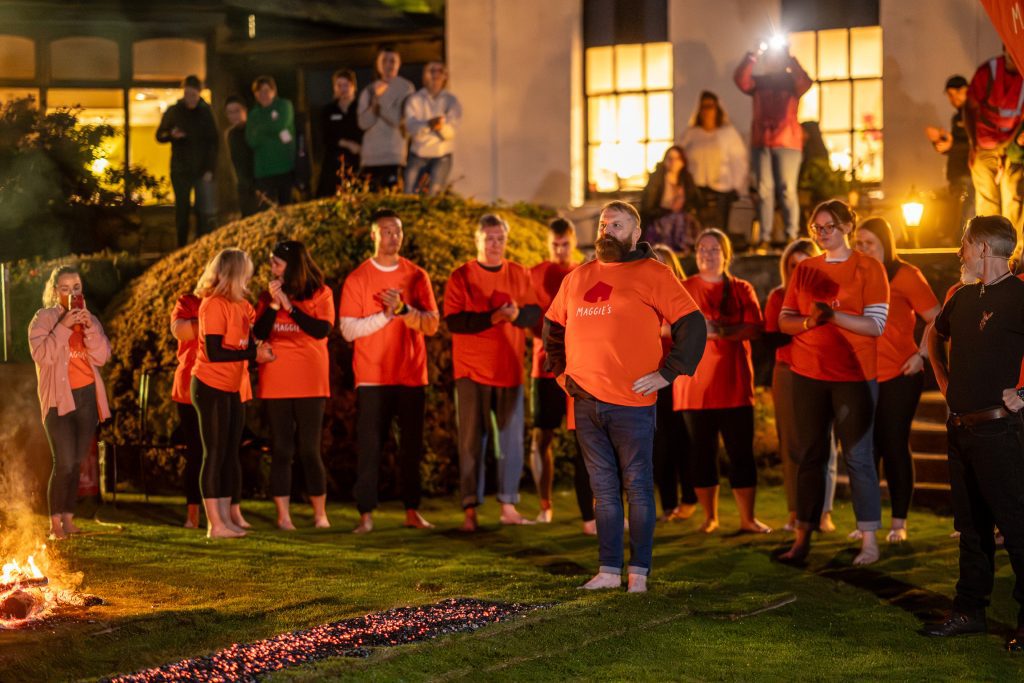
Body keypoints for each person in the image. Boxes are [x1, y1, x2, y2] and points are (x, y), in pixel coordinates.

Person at [543, 200, 706, 593]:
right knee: (603, 491)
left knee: (636, 487)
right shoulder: (578, 277)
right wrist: (561, 373)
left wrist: (668, 374)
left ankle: (639, 574)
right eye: (603, 224)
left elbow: (693, 324)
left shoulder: (654, 274)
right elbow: (552, 327)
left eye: (617, 225)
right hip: (585, 402)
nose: (607, 230)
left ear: (635, 234)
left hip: (632, 402)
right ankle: (608, 570)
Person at [921, 215, 1024, 650]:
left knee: (1018, 527)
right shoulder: (961, 297)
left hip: (1000, 431)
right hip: (960, 428)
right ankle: (968, 611)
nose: (959, 251)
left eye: (964, 244)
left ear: (983, 248)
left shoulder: (1020, 296)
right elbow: (933, 337)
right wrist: (946, 385)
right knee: (971, 528)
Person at [777, 199, 889, 566]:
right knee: (810, 455)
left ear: (847, 227)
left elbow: (875, 324)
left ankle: (869, 540)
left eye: (829, 227)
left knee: (858, 456)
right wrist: (809, 323)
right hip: (808, 372)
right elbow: (785, 319)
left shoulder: (868, 268)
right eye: (817, 228)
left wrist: (833, 315)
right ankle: (802, 536)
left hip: (854, 375)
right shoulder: (805, 269)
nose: (823, 234)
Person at [339, 209, 439, 533]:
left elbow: (432, 324)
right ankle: (365, 515)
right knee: (370, 447)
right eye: (386, 231)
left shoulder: (416, 276)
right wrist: (385, 315)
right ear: (373, 236)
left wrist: (404, 310)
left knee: (411, 448)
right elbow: (348, 330)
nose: (392, 237)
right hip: (372, 377)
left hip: (411, 374)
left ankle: (412, 511)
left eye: (397, 231)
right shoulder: (358, 278)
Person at [444, 214, 541, 531]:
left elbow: (534, 313)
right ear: (477, 241)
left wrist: (514, 316)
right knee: (472, 441)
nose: (495, 244)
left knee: (512, 441)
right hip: (471, 370)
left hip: (510, 368)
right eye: (489, 239)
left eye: (500, 238)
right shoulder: (462, 276)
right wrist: (494, 317)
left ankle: (508, 505)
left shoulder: (518, 273)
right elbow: (455, 322)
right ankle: (470, 509)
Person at [674, 229, 769, 534]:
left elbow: (756, 328)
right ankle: (709, 517)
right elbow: (663, 327)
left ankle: (747, 518)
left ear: (726, 255)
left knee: (741, 452)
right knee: (701, 453)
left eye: (714, 249)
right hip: (695, 387)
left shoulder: (741, 289)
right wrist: (696, 330)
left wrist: (723, 332)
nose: (707, 254)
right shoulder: (683, 289)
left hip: (734, 385)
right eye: (702, 249)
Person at [854, 217, 940, 544]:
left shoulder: (905, 275)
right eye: (858, 243)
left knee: (893, 444)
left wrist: (921, 355)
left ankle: (899, 522)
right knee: (866, 450)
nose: (863, 249)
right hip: (862, 375)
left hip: (899, 373)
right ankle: (868, 522)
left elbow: (937, 317)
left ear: (886, 245)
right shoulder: (855, 275)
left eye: (869, 244)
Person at [192, 249, 275, 538]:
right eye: (247, 270)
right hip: (210, 385)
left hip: (232, 387)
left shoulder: (241, 304)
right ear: (234, 273)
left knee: (229, 453)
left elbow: (258, 333)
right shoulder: (213, 305)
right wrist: (255, 353)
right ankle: (215, 525)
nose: (250, 276)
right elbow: (214, 352)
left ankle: (226, 520)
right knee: (213, 453)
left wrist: (274, 306)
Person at [253, 241, 335, 530]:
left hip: (311, 379)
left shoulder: (321, 293)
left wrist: (292, 308)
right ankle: (283, 516)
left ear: (293, 265)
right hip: (276, 379)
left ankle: (320, 514)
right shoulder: (267, 296)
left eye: (277, 263)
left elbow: (321, 330)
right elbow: (258, 333)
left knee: (309, 449)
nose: (272, 268)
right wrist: (276, 306)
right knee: (282, 449)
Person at [29, 265, 111, 540]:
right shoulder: (44, 318)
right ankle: (54, 525)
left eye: (75, 288)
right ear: (55, 292)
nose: (71, 294)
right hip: (58, 400)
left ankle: (68, 517)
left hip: (86, 396)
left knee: (76, 461)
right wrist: (64, 326)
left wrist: (89, 329)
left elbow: (102, 356)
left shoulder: (90, 319)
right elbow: (43, 356)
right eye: (65, 289)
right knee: (63, 461)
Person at [763, 238, 838, 533]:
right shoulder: (778, 296)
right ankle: (795, 511)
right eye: (792, 265)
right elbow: (770, 337)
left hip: (824, 371)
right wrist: (805, 325)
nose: (797, 270)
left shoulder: (830, 295)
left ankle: (824, 512)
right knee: (791, 444)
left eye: (803, 264)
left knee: (826, 443)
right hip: (790, 372)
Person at [734, 39, 812, 243]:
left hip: (787, 142)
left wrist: (789, 57)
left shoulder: (791, 82)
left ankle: (791, 234)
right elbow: (741, 80)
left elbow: (806, 81)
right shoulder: (759, 83)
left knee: (787, 189)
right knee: (764, 190)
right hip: (762, 142)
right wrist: (754, 53)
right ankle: (765, 236)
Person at [528, 217, 579, 523]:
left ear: (573, 242)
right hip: (544, 368)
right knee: (541, 437)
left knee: (588, 439)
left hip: (579, 370)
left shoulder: (583, 273)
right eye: (555, 245)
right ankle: (545, 505)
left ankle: (598, 504)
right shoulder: (535, 273)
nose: (560, 251)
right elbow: (529, 318)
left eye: (565, 245)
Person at [650, 244, 698, 522]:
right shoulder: (641, 294)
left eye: (663, 264)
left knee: (685, 438)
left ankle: (689, 497)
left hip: (679, 375)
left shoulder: (683, 295)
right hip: (652, 375)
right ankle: (668, 502)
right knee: (660, 440)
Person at [965, 47, 1024, 233]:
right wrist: (974, 145)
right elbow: (969, 107)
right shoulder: (988, 72)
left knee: (1014, 198)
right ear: (1005, 49)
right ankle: (991, 251)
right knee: (988, 202)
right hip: (984, 147)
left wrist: (1010, 144)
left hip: (1011, 149)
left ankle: (1013, 255)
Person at [155, 75, 218, 247]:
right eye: (187, 93)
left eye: (193, 94)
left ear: (199, 93)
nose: (190, 97)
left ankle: (201, 245)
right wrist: (171, 135)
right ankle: (181, 246)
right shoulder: (174, 111)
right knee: (181, 210)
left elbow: (213, 142)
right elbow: (160, 135)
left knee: (202, 211)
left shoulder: (206, 112)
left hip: (201, 169)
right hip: (180, 169)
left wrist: (210, 169)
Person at [680, 91, 749, 235]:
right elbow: (680, 157)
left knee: (719, 229)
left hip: (723, 189)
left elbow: (739, 161)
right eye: (704, 107)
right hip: (697, 189)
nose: (707, 111)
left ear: (717, 109)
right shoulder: (691, 134)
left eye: (710, 106)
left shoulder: (728, 133)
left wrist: (738, 186)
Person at [357, 46, 415, 190]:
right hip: (370, 157)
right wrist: (374, 104)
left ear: (399, 63)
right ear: (378, 64)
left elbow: (399, 120)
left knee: (392, 202)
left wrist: (379, 101)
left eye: (392, 61)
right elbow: (363, 123)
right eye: (384, 61)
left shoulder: (406, 88)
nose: (388, 65)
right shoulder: (369, 90)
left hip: (394, 154)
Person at [404, 62, 462, 195]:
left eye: (439, 71)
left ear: (445, 76)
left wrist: (440, 128)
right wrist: (429, 125)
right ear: (424, 75)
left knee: (435, 193)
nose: (435, 75)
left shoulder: (451, 101)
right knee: (409, 192)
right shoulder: (414, 99)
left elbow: (451, 131)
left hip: (441, 155)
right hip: (418, 153)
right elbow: (411, 127)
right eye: (431, 71)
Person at [925, 76, 973, 230]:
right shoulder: (957, 117)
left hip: (970, 174)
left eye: (956, 93)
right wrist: (939, 141)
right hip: (957, 175)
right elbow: (955, 146)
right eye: (950, 96)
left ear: (966, 90)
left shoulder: (975, 114)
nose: (953, 99)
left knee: (967, 217)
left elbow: (976, 145)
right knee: (958, 217)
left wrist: (951, 145)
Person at [640, 145, 702, 255]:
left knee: (683, 220)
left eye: (677, 158)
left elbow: (697, 202)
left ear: (682, 162)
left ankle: (685, 250)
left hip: (683, 220)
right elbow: (647, 208)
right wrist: (668, 210)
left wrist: (685, 207)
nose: (673, 162)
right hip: (659, 220)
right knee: (675, 219)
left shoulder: (686, 179)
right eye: (670, 158)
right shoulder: (657, 179)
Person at [246, 76, 296, 208]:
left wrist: (261, 129)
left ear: (274, 91)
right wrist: (272, 128)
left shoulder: (285, 105)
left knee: (287, 209)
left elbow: (280, 125)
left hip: (285, 167)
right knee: (266, 210)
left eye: (266, 90)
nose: (263, 94)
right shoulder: (253, 114)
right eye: (259, 91)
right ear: (255, 94)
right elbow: (252, 140)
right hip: (263, 171)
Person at [316, 69, 362, 198]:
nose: (343, 89)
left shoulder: (362, 108)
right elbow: (325, 137)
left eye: (346, 85)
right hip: (334, 164)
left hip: (359, 162)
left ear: (353, 86)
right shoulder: (328, 111)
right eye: (339, 85)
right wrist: (345, 143)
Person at [224, 96, 258, 218]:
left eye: (237, 111)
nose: (234, 116)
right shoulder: (230, 134)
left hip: (259, 184)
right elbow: (235, 161)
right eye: (230, 112)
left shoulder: (254, 129)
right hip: (243, 185)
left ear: (245, 111)